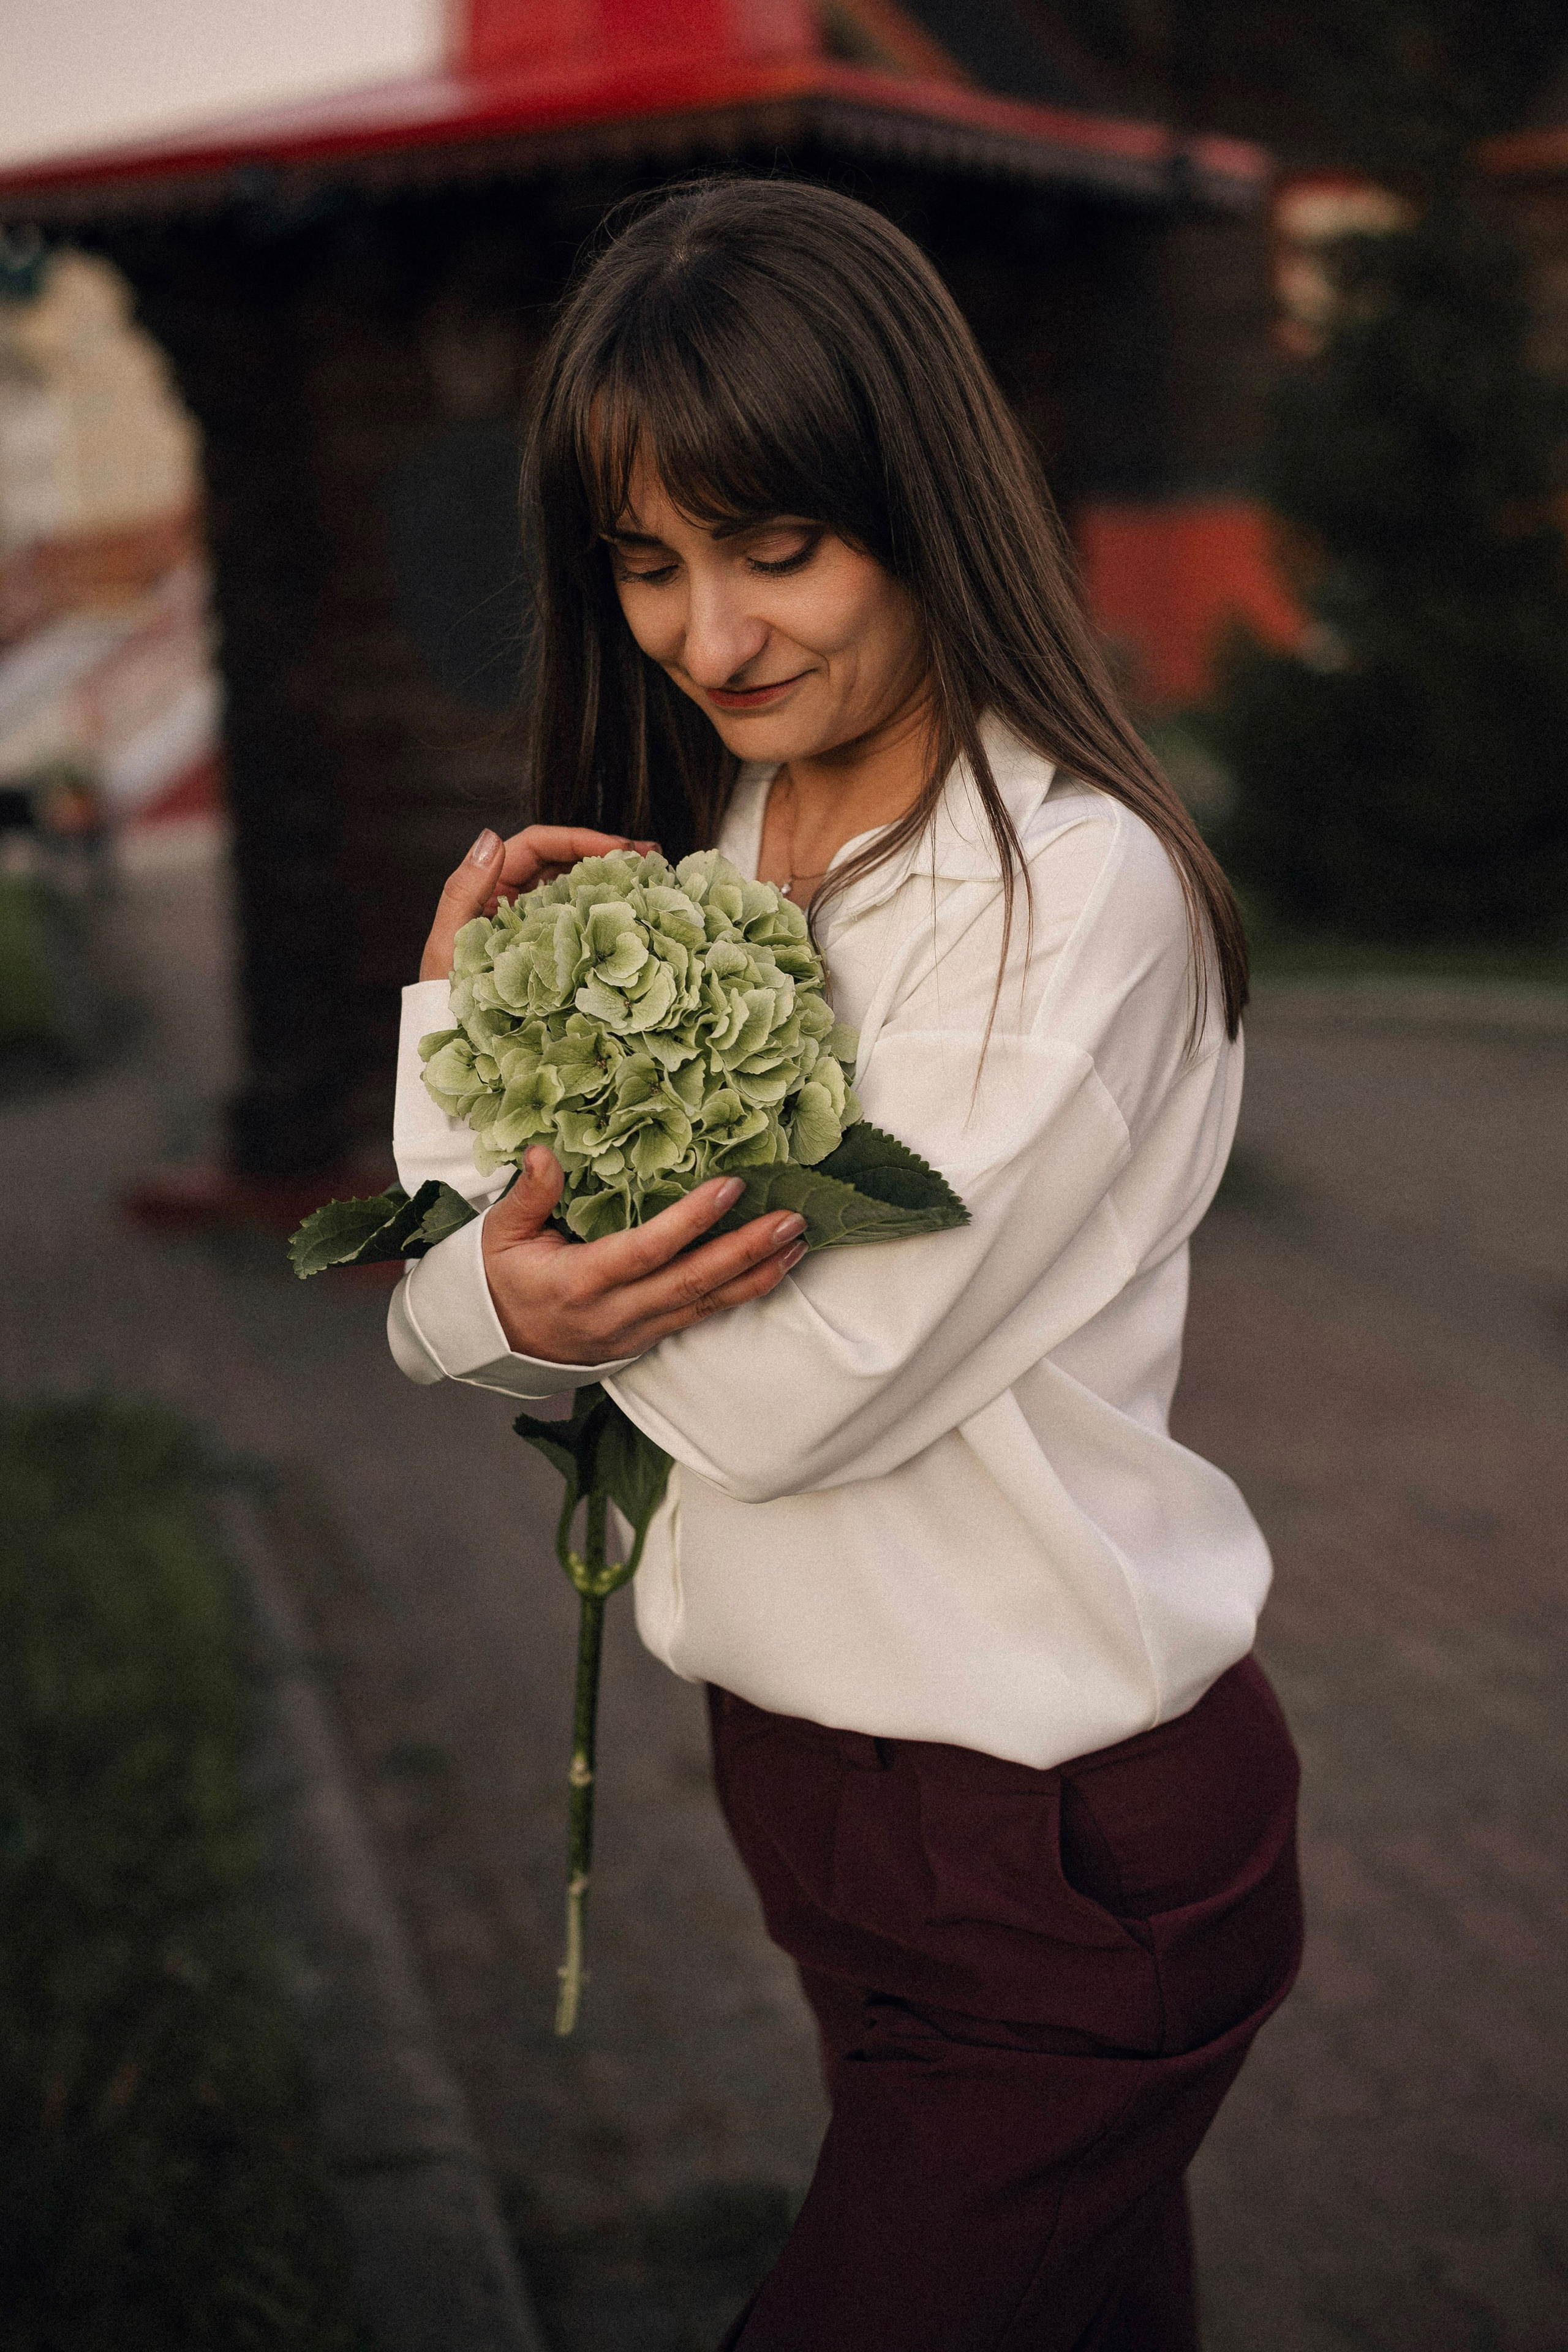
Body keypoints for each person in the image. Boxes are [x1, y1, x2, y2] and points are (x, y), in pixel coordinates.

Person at [388, 177, 1302, 2351]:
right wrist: (503, 1289)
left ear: (922, 502)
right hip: (819, 1798)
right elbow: (474, 1330)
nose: (711, 637)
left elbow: (794, 1403)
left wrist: (500, 1238)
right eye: (649, 565)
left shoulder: (1073, 900)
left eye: (773, 546)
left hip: (1061, 1838)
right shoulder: (707, 860)